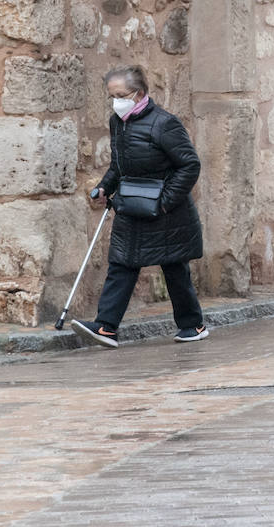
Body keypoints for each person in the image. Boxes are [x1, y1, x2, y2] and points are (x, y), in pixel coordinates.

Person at [71, 65, 210, 348]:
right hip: (132, 205)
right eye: (112, 95)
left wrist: (165, 202)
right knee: (121, 263)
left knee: (174, 269)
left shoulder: (164, 124)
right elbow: (119, 166)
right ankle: (106, 328)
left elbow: (189, 165)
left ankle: (192, 325)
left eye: (121, 95)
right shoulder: (117, 122)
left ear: (140, 94)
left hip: (166, 212)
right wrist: (104, 187)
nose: (116, 101)